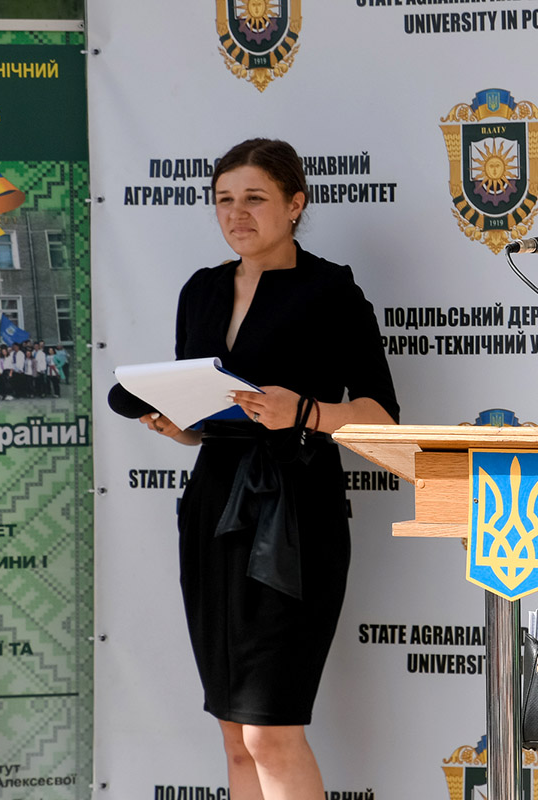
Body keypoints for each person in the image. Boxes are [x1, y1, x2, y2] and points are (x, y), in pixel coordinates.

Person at [116, 138, 399, 800]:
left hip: (296, 514)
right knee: (234, 733)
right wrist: (182, 427)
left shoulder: (331, 291)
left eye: (254, 198)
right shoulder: (202, 289)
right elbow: (204, 407)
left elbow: (382, 419)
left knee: (271, 732)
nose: (235, 214)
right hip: (213, 509)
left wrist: (303, 411)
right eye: (223, 200)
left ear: (295, 204)